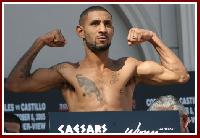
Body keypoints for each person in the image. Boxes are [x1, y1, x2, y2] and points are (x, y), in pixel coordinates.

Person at [5, 6, 189, 112]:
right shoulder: (66, 72)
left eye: (107, 24)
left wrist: (152, 37)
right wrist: (39, 42)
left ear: (112, 31)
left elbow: (180, 75)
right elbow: (14, 85)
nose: (102, 29)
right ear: (80, 32)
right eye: (95, 24)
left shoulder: (128, 67)